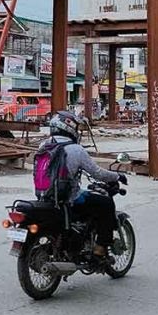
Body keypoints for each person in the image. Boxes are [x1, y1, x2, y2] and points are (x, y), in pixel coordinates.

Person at [45, 110, 125, 258]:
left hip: (45, 195)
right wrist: (117, 176)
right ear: (69, 128)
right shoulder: (75, 149)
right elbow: (97, 173)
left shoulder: (44, 146)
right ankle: (100, 247)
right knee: (106, 203)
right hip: (69, 198)